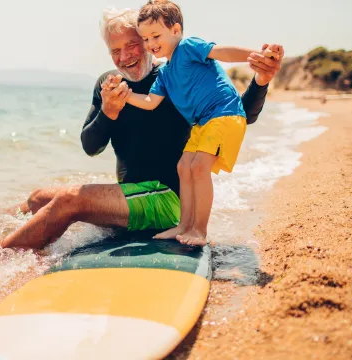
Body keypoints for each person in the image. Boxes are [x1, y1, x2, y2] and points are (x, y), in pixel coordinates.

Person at [0, 7, 284, 250]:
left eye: (133, 44)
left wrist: (261, 80)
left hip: (167, 198)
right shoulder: (108, 84)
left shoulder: (173, 77)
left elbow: (238, 115)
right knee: (38, 198)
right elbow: (90, 146)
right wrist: (108, 111)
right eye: (115, 50)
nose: (124, 57)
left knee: (68, 201)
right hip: (133, 196)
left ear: (149, 42)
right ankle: (6, 244)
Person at [117, 0, 282, 246]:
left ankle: (200, 231)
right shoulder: (164, 73)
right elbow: (151, 101)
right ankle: (183, 225)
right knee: (184, 167)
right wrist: (127, 96)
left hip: (224, 114)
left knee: (199, 167)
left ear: (175, 30)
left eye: (155, 35)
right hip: (202, 123)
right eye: (146, 39)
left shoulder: (188, 46)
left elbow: (221, 52)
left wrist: (254, 56)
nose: (151, 44)